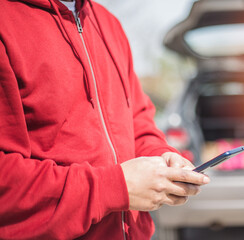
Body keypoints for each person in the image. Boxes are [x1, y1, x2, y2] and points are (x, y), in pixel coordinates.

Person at [0, 0, 210, 239]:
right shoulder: (5, 23)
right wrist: (115, 188)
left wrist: (161, 155)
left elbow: (137, 121)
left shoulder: (108, 24)